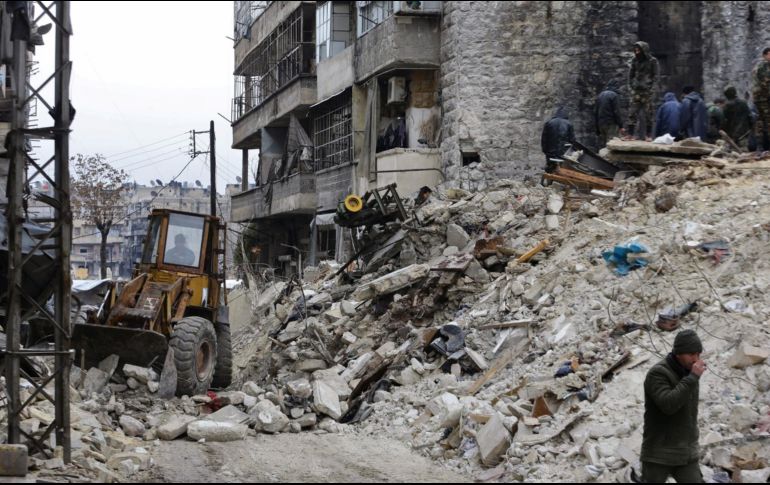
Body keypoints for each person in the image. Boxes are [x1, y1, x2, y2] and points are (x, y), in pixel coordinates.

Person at [641, 329, 706, 483]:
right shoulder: (658, 373)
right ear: (678, 353)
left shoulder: (689, 373)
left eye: (698, 354)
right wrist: (692, 378)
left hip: (686, 453)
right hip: (659, 454)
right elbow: (669, 404)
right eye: (691, 354)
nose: (695, 359)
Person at [626, 41, 659, 140]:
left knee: (649, 114)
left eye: (638, 50)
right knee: (632, 112)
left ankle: (648, 135)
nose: (636, 52)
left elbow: (656, 76)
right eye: (635, 50)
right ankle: (630, 134)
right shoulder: (634, 60)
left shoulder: (652, 61)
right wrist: (631, 86)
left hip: (647, 91)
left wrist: (652, 89)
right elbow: (631, 75)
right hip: (636, 90)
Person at [540, 106, 575, 176]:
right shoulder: (569, 124)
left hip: (550, 153)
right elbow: (572, 140)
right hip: (562, 153)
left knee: (550, 167)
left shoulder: (549, 123)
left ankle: (547, 181)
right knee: (563, 167)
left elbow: (544, 139)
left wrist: (545, 151)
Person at [595, 80, 623, 148]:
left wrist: (597, 128)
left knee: (604, 145)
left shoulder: (600, 95)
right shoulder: (614, 95)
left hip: (601, 123)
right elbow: (616, 111)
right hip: (611, 124)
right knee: (612, 144)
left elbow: (595, 112)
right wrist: (620, 125)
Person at [752, 47, 770, 151]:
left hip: (760, 98)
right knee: (766, 121)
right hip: (764, 98)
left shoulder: (759, 66)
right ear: (765, 55)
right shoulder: (764, 66)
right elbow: (766, 83)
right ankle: (763, 146)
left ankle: (760, 146)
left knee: (760, 122)